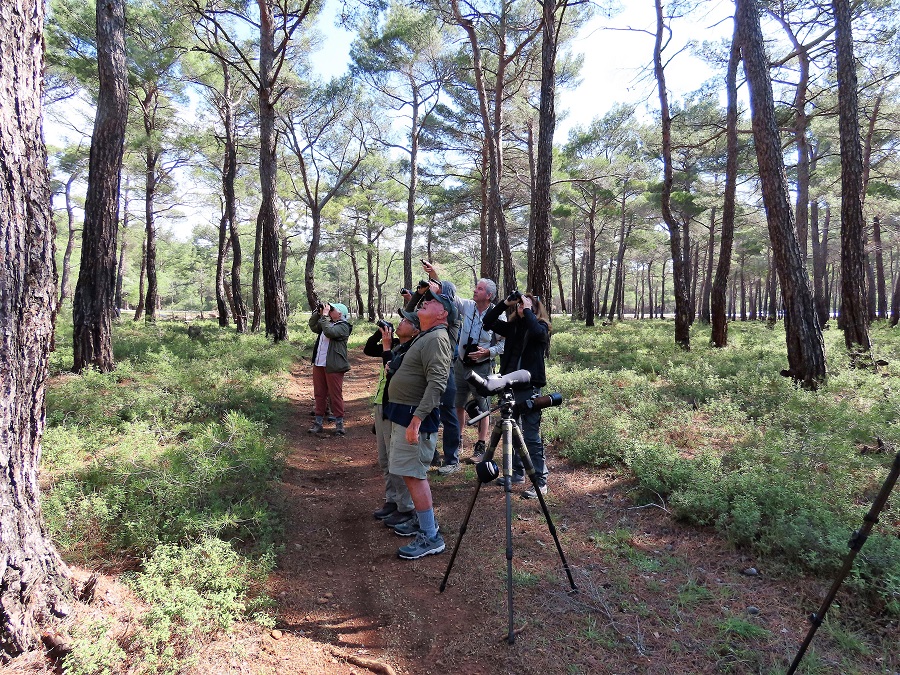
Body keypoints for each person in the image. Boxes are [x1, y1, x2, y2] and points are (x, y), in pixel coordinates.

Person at [384, 287, 454, 559]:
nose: (425, 303)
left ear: (443, 314)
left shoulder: (437, 338)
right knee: (409, 472)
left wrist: (417, 421)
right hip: (404, 413)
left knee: (415, 474)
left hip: (415, 417)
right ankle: (421, 521)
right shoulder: (425, 335)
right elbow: (411, 309)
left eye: (432, 302)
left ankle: (431, 535)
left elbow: (437, 383)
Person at [483, 292, 551, 499]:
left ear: (535, 308)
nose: (521, 307)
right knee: (511, 432)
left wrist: (529, 310)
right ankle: (517, 473)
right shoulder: (513, 327)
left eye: (526, 304)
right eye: (520, 304)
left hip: (530, 388)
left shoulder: (541, 327)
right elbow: (488, 321)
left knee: (530, 436)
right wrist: (505, 304)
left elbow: (538, 333)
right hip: (509, 386)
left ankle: (540, 481)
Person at [404, 264, 462, 472]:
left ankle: (452, 459)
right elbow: (409, 314)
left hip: (446, 375)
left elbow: (451, 306)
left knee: (448, 416)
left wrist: (437, 283)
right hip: (426, 375)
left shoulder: (451, 320)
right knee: (427, 413)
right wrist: (418, 295)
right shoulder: (428, 321)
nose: (432, 297)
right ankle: (432, 454)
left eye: (437, 295)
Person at [363, 311, 418, 528]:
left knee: (396, 460)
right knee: (384, 459)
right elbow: (368, 349)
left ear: (415, 330)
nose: (399, 323)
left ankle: (406, 506)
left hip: (394, 407)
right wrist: (381, 336)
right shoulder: (395, 344)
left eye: (405, 321)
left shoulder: (411, 349)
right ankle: (392, 500)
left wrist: (386, 348)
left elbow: (392, 373)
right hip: (381, 403)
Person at [308, 301, 352, 436]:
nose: (329, 310)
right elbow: (313, 325)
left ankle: (339, 424)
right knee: (319, 394)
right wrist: (318, 312)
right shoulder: (326, 322)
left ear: (340, 314)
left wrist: (325, 316)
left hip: (334, 365)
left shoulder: (344, 326)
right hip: (319, 364)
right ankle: (318, 422)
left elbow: (329, 332)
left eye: (332, 309)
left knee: (335, 395)